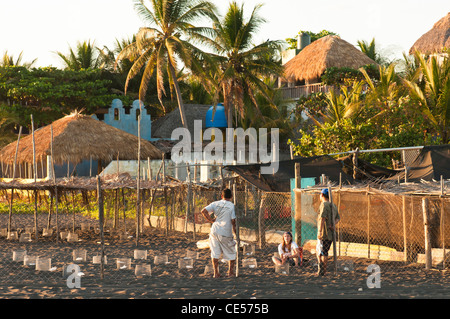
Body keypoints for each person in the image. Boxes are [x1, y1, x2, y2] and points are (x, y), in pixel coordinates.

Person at [200, 188, 237, 278]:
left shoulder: (215, 203)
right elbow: (233, 221)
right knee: (231, 253)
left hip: (214, 231)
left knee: (215, 252)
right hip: (225, 232)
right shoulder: (232, 206)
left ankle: (216, 273)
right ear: (231, 197)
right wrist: (236, 232)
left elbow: (203, 211)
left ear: (221, 196)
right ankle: (230, 272)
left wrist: (211, 220)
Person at [316, 188, 340, 276]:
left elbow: (322, 218)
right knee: (324, 251)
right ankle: (323, 270)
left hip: (324, 233)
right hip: (330, 233)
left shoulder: (324, 204)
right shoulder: (333, 205)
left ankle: (323, 271)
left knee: (322, 252)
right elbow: (338, 218)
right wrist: (333, 225)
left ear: (322, 195)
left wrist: (319, 231)